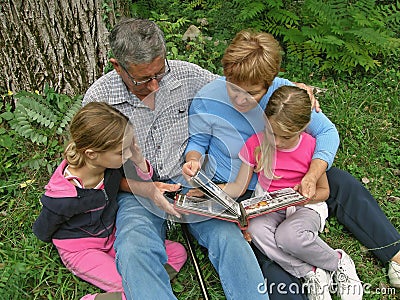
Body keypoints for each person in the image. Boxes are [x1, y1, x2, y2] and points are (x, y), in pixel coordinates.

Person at [182, 29, 400, 298]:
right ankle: (306, 276)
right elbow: (197, 141)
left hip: (290, 179)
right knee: (259, 244)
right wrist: (193, 161)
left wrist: (312, 174)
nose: (240, 99)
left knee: (342, 182)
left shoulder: (284, 95)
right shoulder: (208, 97)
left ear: (269, 83)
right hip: (242, 188)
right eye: (233, 88)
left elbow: (327, 133)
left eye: (251, 93)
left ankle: (395, 253)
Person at [82, 18, 269, 299]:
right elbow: (95, 172)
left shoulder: (187, 75)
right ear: (117, 66)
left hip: (191, 182)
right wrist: (144, 188)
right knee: (134, 247)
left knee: (229, 238)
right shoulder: (98, 100)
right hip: (136, 189)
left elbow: (240, 84)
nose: (156, 85)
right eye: (144, 79)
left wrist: (291, 87)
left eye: (160, 72)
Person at [32, 102, 187, 300]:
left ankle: (146, 286)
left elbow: (145, 180)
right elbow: (42, 230)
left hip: (112, 237)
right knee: (132, 285)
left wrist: (139, 160)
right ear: (91, 154)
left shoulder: (110, 168)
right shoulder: (63, 197)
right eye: (122, 152)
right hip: (82, 250)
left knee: (177, 253)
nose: (128, 155)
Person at [223, 85, 363, 299]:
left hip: (305, 208)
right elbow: (238, 187)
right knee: (257, 229)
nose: (276, 142)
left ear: (303, 127)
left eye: (285, 137)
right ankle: (311, 272)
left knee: (288, 236)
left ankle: (338, 262)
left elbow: (324, 192)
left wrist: (306, 197)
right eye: (272, 133)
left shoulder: (310, 148)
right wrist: (211, 192)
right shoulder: (256, 145)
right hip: (270, 208)